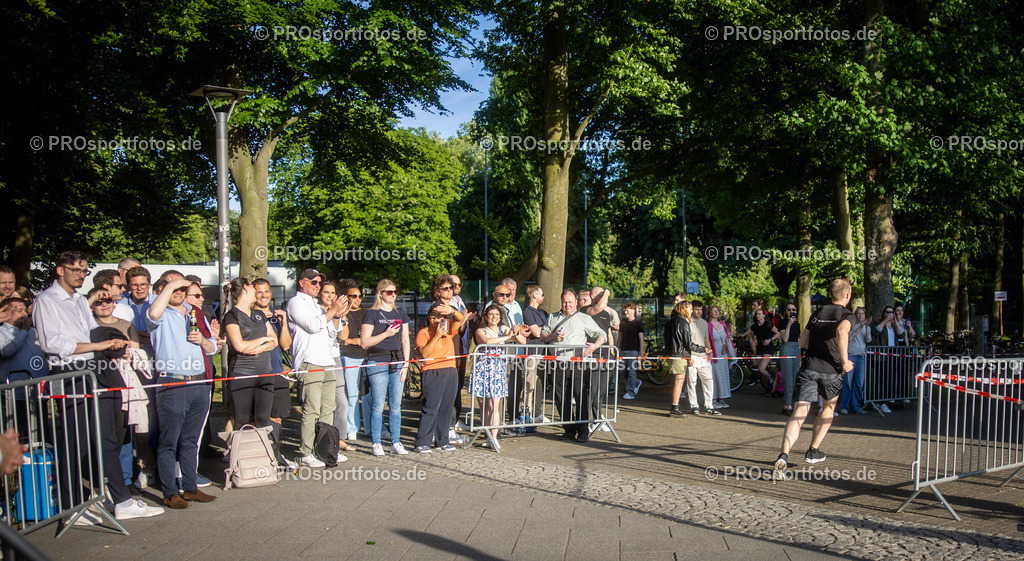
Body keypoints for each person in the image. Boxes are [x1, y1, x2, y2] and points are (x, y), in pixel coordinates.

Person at [146, 270, 218, 509]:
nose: (178, 293)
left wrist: (204, 342)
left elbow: (211, 348)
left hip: (198, 382)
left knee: (190, 440)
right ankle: (169, 491)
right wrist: (173, 284)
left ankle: (190, 487)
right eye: (173, 288)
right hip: (173, 382)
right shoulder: (160, 314)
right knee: (169, 441)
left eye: (181, 290)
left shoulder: (193, 314)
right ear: (162, 290)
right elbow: (153, 312)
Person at [774, 278, 854, 476]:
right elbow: (842, 331)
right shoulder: (847, 315)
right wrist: (844, 360)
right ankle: (813, 450)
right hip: (831, 371)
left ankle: (783, 454)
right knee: (827, 407)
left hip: (809, 367)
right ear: (847, 295)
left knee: (799, 413)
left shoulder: (817, 313)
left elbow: (802, 341)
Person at [286, 269, 348, 467]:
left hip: (327, 360)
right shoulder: (296, 303)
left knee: (328, 408)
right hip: (310, 360)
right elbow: (312, 326)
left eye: (319, 283)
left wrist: (337, 313)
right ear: (302, 282)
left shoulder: (318, 306)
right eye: (313, 282)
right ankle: (305, 452)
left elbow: (334, 331)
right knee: (311, 409)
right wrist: (331, 311)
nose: (317, 286)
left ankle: (325, 448)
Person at [539, 289, 605, 442]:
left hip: (577, 363)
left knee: (580, 396)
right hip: (558, 362)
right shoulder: (553, 317)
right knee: (561, 397)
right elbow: (543, 336)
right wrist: (553, 336)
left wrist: (595, 346)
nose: (567, 305)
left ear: (576, 302)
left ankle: (582, 431)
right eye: (564, 302)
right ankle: (568, 429)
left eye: (570, 302)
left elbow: (601, 334)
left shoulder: (583, 318)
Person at [360, 279, 411, 456]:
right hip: (377, 361)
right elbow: (365, 342)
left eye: (395, 292)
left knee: (396, 405)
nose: (393, 295)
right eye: (389, 292)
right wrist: (386, 334)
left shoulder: (400, 312)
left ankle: (396, 441)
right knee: (378, 405)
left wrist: (406, 363)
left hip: (396, 362)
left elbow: (405, 339)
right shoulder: (371, 314)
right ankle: (376, 442)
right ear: (380, 293)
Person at [223, 278, 278, 433]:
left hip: (265, 372)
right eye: (254, 288)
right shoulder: (231, 316)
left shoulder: (259, 314)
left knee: (263, 419)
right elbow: (239, 345)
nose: (258, 292)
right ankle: (240, 454)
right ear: (246, 288)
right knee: (242, 419)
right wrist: (262, 340)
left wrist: (257, 349)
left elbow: (274, 340)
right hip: (242, 373)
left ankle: (263, 454)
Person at [252, 278, 294, 469]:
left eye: (266, 291)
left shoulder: (276, 317)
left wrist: (284, 323)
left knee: (277, 416)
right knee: (259, 416)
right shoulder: (249, 316)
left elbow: (285, 345)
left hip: (277, 371)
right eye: (259, 291)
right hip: (257, 372)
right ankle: (260, 455)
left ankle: (276, 455)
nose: (263, 295)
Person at [413, 301, 465, 453]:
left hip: (450, 370)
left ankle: (442, 440)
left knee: (447, 407)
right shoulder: (423, 333)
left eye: (440, 316)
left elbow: (461, 319)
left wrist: (452, 311)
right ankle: (423, 441)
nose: (437, 319)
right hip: (433, 371)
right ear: (429, 317)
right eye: (434, 316)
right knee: (431, 407)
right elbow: (424, 353)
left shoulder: (448, 329)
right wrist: (436, 336)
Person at [471, 304, 526, 449]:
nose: (494, 317)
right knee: (485, 406)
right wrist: (508, 337)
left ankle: (494, 437)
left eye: (497, 314)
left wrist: (516, 332)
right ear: (486, 317)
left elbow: (522, 341)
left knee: (495, 405)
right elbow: (487, 341)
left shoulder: (503, 329)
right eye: (491, 314)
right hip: (483, 369)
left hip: (497, 369)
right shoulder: (480, 330)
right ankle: (487, 434)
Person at [318, 280, 350, 452]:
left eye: (332, 293)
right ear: (319, 294)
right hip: (318, 359)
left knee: (341, 402)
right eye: (326, 292)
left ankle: (339, 437)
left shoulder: (337, 312)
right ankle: (323, 438)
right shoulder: (317, 312)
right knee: (323, 404)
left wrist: (341, 315)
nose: (330, 296)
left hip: (334, 358)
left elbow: (343, 336)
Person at [338, 279, 366, 442]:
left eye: (360, 296)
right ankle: (352, 427)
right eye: (353, 296)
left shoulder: (367, 312)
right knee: (352, 393)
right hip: (350, 355)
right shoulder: (342, 313)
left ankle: (369, 427)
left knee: (368, 394)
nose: (357, 299)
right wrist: (353, 341)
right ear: (346, 297)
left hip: (367, 355)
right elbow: (342, 338)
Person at [686, 301, 720, 416]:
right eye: (696, 309)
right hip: (693, 355)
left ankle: (709, 405)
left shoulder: (704, 323)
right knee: (692, 382)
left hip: (704, 356)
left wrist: (710, 351)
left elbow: (706, 339)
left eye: (701, 309)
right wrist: (688, 356)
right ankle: (694, 405)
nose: (699, 312)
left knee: (709, 381)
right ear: (692, 310)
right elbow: (686, 342)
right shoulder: (687, 322)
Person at [521, 285, 549, 422]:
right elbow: (536, 333)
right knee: (529, 384)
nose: (544, 297)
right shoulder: (527, 312)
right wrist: (546, 329)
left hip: (544, 353)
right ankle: (527, 413)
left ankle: (537, 413)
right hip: (532, 353)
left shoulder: (544, 313)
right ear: (535, 296)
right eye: (542, 294)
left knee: (539, 385)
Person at [840, 307, 872, 415]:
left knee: (859, 382)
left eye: (862, 314)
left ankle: (856, 406)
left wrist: (866, 327)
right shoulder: (852, 326)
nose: (861, 316)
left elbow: (868, 340)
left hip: (861, 356)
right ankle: (844, 406)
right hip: (851, 355)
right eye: (858, 314)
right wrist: (860, 327)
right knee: (848, 381)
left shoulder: (867, 327)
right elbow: (850, 338)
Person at [664, 301, 693, 417]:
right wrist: (700, 350)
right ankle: (674, 407)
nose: (691, 311)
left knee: (678, 381)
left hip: (671, 354)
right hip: (679, 355)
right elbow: (688, 344)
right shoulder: (683, 323)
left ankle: (675, 406)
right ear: (684, 309)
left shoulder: (669, 322)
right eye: (690, 309)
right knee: (679, 381)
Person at [707, 305, 734, 409]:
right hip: (715, 353)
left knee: (724, 376)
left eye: (717, 311)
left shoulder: (722, 324)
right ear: (709, 313)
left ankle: (721, 398)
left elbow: (727, 338)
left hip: (724, 353)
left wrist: (731, 352)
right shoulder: (708, 325)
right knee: (714, 375)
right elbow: (708, 339)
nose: (716, 312)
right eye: (713, 311)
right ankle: (713, 398)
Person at [748, 309, 780, 392]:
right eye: (757, 314)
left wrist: (769, 340)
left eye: (759, 314)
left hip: (768, 348)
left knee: (762, 369)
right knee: (760, 371)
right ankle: (768, 388)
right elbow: (750, 336)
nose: (758, 316)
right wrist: (752, 343)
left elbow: (778, 333)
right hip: (759, 348)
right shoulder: (754, 326)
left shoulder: (768, 325)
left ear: (763, 315)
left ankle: (771, 381)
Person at [779, 303, 801, 416]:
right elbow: (785, 338)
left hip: (796, 348)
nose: (792, 311)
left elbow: (798, 338)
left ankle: (786, 404)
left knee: (793, 379)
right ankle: (788, 405)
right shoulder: (783, 322)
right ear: (786, 311)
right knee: (787, 378)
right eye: (789, 309)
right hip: (786, 348)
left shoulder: (798, 324)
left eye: (794, 309)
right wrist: (788, 324)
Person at [619, 303, 645, 400]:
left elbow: (641, 339)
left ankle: (630, 392)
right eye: (625, 310)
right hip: (623, 350)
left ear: (633, 311)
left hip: (633, 351)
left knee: (631, 372)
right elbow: (620, 336)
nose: (626, 312)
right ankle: (636, 382)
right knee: (622, 370)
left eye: (628, 310)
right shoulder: (623, 323)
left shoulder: (638, 323)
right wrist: (617, 348)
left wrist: (641, 353)